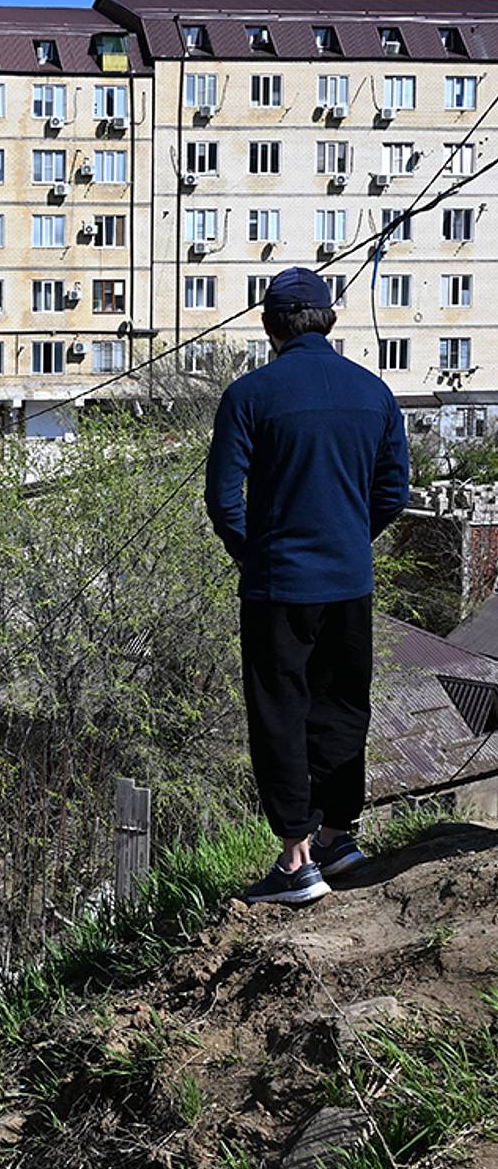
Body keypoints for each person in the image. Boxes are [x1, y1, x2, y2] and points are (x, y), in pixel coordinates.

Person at [205, 266, 410, 906]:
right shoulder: (374, 392)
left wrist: (257, 556)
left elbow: (222, 501)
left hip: (279, 587)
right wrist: (348, 542)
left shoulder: (250, 395)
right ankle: (338, 836)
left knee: (280, 711)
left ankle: (296, 861)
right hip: (349, 582)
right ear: (329, 319)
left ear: (269, 326)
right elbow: (393, 492)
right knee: (343, 703)